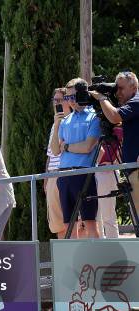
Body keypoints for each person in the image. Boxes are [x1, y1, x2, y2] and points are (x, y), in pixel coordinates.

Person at [50, 78, 101, 239]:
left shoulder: (95, 116)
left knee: (89, 222)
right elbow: (55, 150)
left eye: (73, 96)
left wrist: (67, 147)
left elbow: (87, 147)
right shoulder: (65, 121)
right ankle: (74, 263)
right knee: (68, 225)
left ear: (83, 94)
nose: (70, 101)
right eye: (67, 97)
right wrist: (57, 124)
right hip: (64, 176)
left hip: (84, 174)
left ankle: (97, 260)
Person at [90, 71, 139, 216]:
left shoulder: (136, 101)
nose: (117, 93)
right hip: (133, 169)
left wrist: (101, 98)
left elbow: (114, 117)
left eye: (121, 88)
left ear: (134, 87)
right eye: (116, 88)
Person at [45, 88, 71, 239]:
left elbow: (61, 150)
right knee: (57, 224)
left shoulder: (73, 121)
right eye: (54, 100)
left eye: (60, 100)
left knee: (75, 222)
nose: (56, 103)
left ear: (68, 101)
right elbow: (50, 154)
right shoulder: (54, 124)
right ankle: (63, 260)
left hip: (67, 173)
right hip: (53, 176)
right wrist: (46, 178)